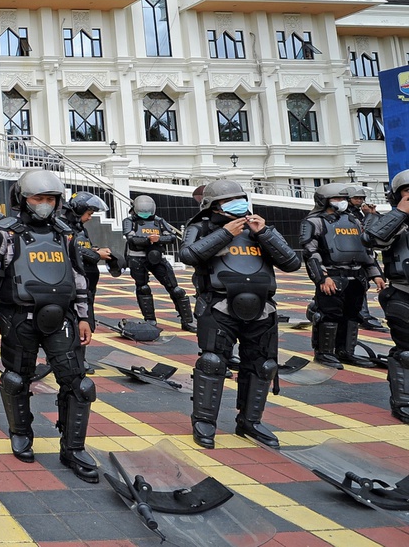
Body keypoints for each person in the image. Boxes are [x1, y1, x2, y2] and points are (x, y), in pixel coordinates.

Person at [0, 169, 98, 483]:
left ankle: (74, 448)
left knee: (79, 384)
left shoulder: (65, 233)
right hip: (19, 317)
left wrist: (85, 317)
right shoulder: (4, 232)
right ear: (23, 199)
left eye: (50, 198)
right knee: (17, 379)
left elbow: (79, 276)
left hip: (63, 318)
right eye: (38, 198)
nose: (45, 203)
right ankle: (21, 433)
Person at [180, 180, 301, 449]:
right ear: (214, 205)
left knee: (263, 365)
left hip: (262, 308)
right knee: (212, 362)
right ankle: (204, 421)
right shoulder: (200, 227)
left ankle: (250, 421)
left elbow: (292, 263)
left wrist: (265, 233)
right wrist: (224, 234)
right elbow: (188, 255)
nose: (239, 204)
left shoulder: (258, 228)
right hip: (219, 306)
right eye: (229, 200)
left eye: (240, 198)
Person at [301, 183, 383, 369]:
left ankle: (346, 351)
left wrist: (376, 275)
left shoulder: (354, 221)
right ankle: (325, 353)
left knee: (352, 315)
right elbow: (310, 253)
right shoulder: (314, 222)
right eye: (337, 199)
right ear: (324, 200)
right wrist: (322, 278)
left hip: (356, 276)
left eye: (344, 199)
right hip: (332, 276)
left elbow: (366, 250)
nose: (342, 202)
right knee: (329, 315)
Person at [362, 169, 409, 423]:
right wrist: (400, 213)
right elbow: (371, 239)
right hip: (402, 292)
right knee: (406, 352)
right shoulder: (393, 223)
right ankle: (403, 401)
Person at [123, 195, 195, 331]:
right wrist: (148, 239)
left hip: (157, 257)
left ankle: (187, 320)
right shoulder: (129, 221)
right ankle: (150, 320)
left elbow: (172, 237)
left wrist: (159, 239)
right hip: (137, 258)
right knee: (143, 288)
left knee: (176, 289)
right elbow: (131, 238)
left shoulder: (159, 221)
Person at [61, 192, 116, 334]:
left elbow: (85, 246)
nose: (90, 218)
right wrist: (97, 254)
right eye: (89, 214)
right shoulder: (63, 227)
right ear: (78, 211)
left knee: (86, 324)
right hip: (74, 285)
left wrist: (97, 250)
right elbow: (74, 249)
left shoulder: (79, 228)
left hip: (87, 285)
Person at [344, 184, 389, 332]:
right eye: (356, 198)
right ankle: (363, 315)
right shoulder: (346, 214)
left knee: (363, 284)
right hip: (349, 255)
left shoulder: (360, 212)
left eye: (362, 198)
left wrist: (374, 214)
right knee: (358, 284)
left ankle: (361, 314)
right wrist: (370, 216)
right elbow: (364, 232)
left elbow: (380, 229)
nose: (360, 201)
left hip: (365, 254)